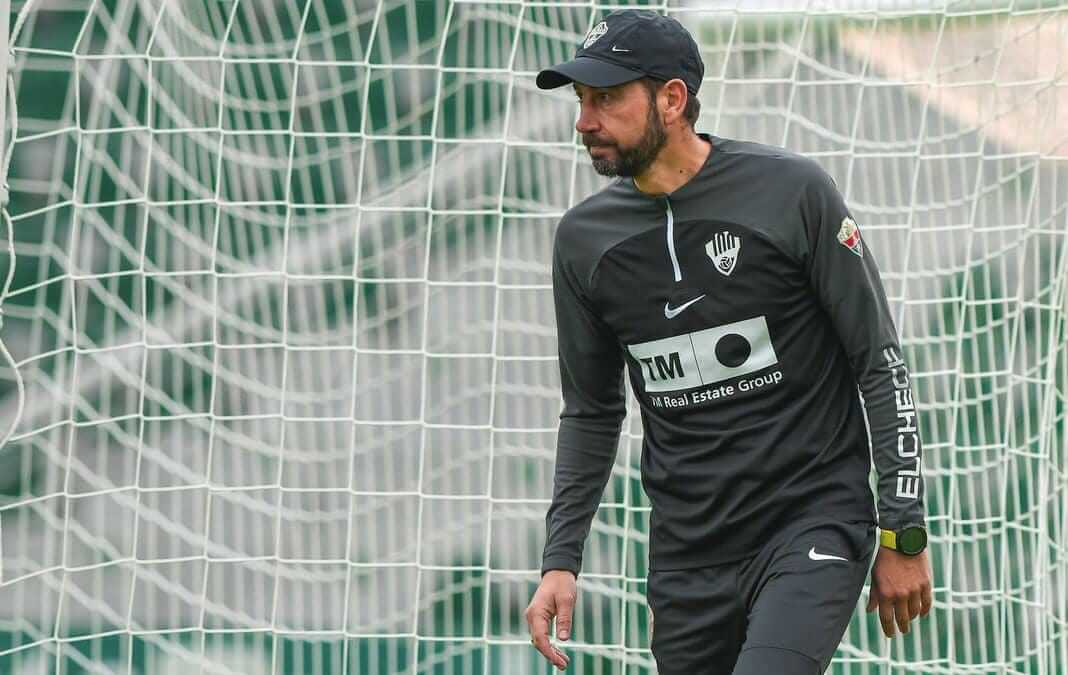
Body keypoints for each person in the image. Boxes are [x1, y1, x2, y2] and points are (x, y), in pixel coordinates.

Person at [523, 9, 933, 675]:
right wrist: (561, 559)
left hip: (810, 524)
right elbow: (592, 412)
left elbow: (878, 362)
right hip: (688, 559)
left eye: (605, 98)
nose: (584, 121)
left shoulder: (793, 193)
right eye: (581, 100)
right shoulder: (582, 242)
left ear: (672, 99)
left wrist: (903, 526)